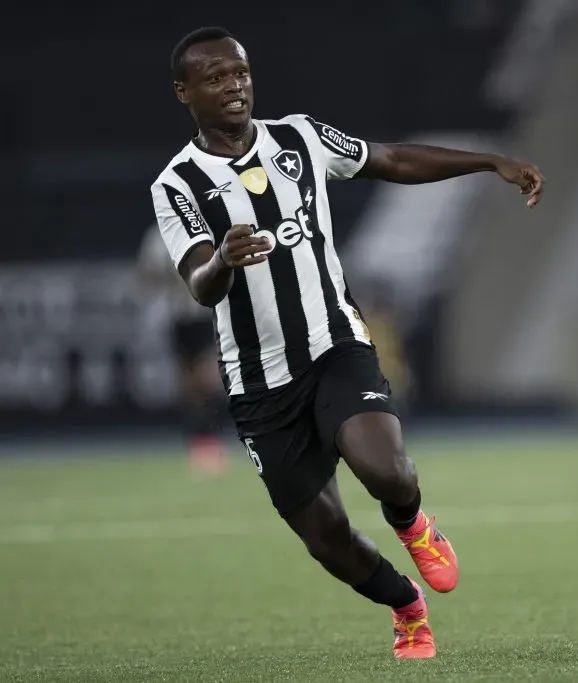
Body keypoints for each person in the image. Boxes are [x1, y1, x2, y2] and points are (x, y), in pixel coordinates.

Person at [151, 27, 545, 659]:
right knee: (326, 536)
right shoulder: (177, 184)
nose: (235, 86)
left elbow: (389, 159)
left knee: (383, 467)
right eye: (217, 78)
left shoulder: (298, 138)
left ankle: (412, 521)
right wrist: (224, 258)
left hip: (333, 341)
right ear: (184, 92)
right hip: (258, 382)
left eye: (241, 73)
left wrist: (486, 161)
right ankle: (406, 608)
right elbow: (199, 283)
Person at [137, 222, 229, 475]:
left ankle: (213, 442)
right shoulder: (160, 233)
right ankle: (198, 444)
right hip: (179, 315)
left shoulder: (208, 225)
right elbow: (148, 272)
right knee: (188, 385)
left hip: (207, 311)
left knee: (208, 377)